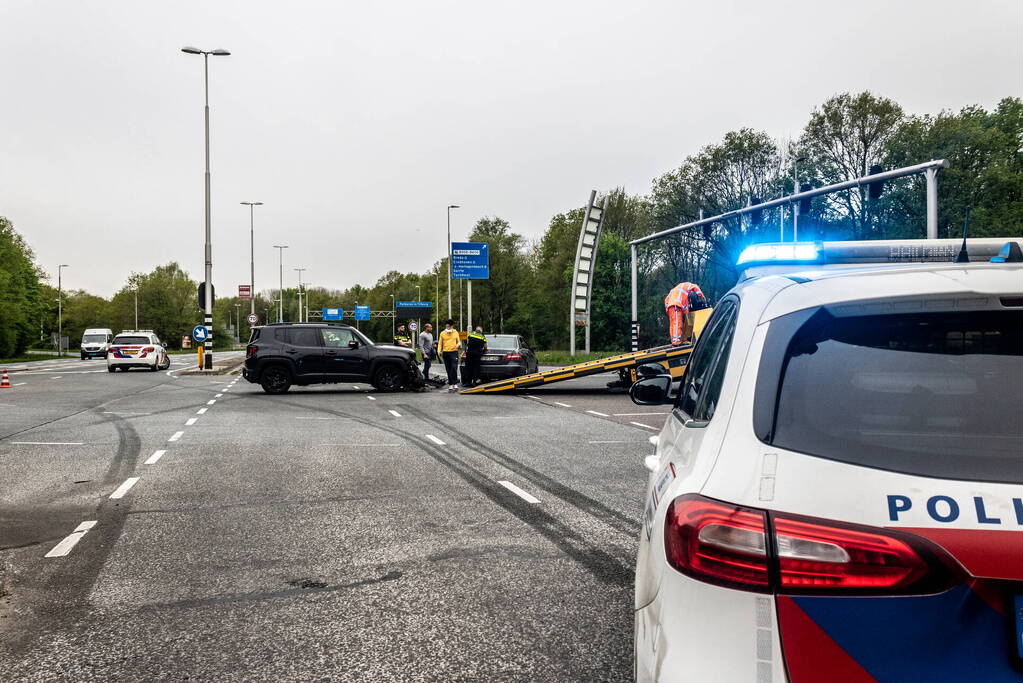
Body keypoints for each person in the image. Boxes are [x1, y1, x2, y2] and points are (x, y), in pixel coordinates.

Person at [664, 281, 707, 346]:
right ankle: (676, 342)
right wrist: (702, 297)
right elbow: (696, 287)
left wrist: (667, 308)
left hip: (670, 307)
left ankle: (674, 341)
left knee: (673, 325)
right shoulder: (689, 285)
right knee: (677, 323)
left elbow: (666, 300)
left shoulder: (674, 290)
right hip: (676, 306)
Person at [438, 319, 461, 392]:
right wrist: (439, 351)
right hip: (446, 353)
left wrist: (457, 345)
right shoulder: (442, 333)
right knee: (448, 369)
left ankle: (455, 383)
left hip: (454, 352)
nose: (447, 328)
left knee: (454, 367)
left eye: (448, 327)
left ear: (452, 326)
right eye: (446, 326)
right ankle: (451, 384)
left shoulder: (455, 332)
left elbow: (459, 342)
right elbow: (440, 343)